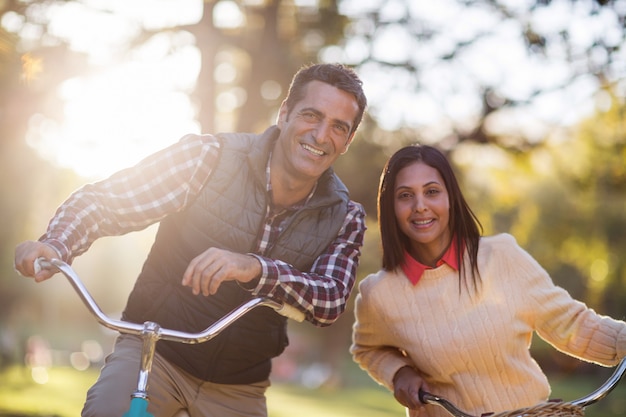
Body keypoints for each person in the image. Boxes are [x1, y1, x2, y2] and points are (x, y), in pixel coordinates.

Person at [14, 62, 368, 417]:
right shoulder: (209, 159)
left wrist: (253, 268)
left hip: (238, 387)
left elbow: (331, 299)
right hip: (154, 356)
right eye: (311, 115)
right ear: (285, 113)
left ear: (349, 140)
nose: (321, 135)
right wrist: (57, 243)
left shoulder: (344, 216)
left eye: (339, 127)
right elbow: (109, 202)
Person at [350, 144, 626, 417]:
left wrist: (621, 340)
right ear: (391, 207)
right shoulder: (379, 292)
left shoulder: (503, 256)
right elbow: (368, 348)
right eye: (405, 195)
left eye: (432, 191)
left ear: (451, 198)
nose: (420, 206)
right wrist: (399, 373)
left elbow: (570, 323)